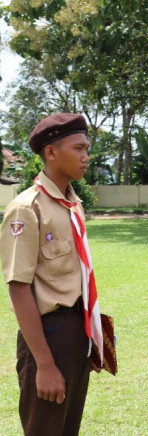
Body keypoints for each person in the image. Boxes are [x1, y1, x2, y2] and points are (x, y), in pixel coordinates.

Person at [1, 113, 105, 436]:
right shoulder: (26, 208)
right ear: (51, 152)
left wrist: (94, 333)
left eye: (87, 148)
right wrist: (44, 364)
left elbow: (78, 277)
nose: (86, 157)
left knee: (68, 429)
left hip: (76, 333)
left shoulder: (72, 204)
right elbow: (18, 288)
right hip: (47, 337)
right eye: (78, 148)